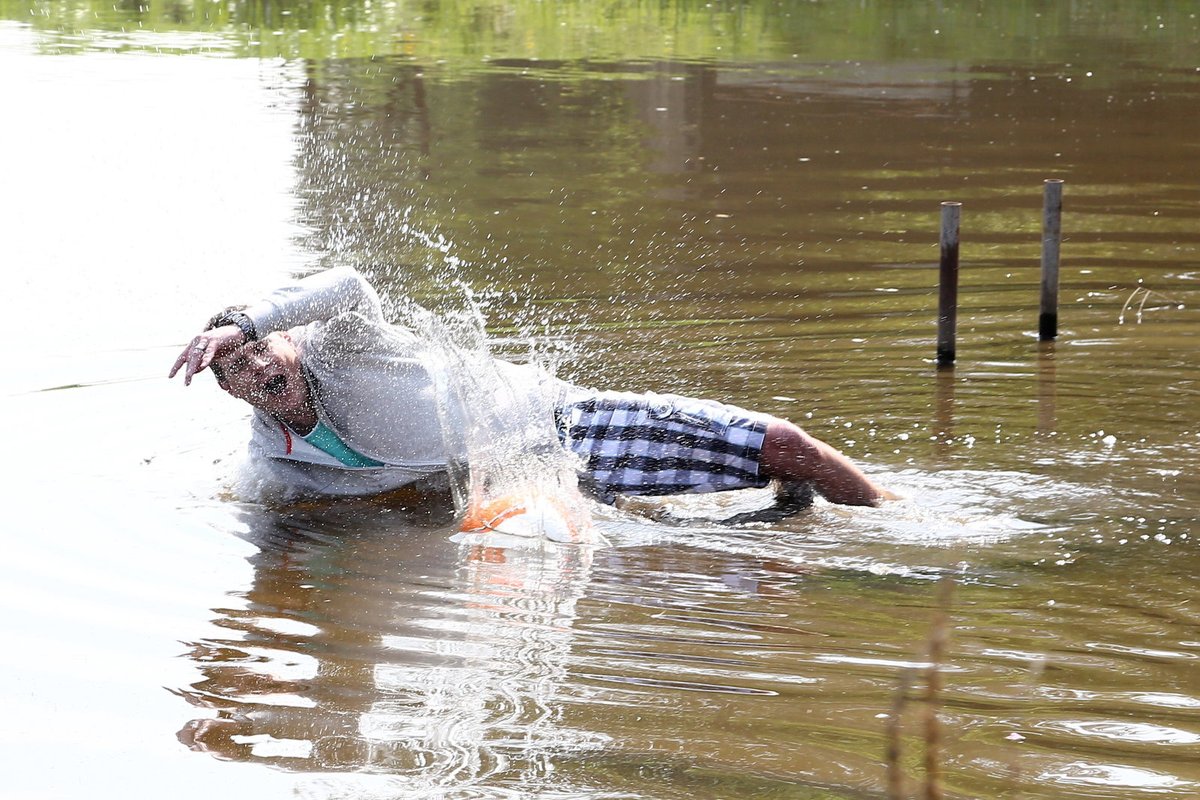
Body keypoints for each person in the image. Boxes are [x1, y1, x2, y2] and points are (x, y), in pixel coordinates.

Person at [169, 267, 891, 510]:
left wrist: (242, 321)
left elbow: (347, 283)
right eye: (235, 369)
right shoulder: (280, 456)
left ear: (289, 342)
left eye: (261, 351)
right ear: (231, 394)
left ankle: (899, 525)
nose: (256, 369)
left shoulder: (344, 341)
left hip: (561, 428)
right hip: (522, 495)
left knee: (784, 445)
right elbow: (275, 527)